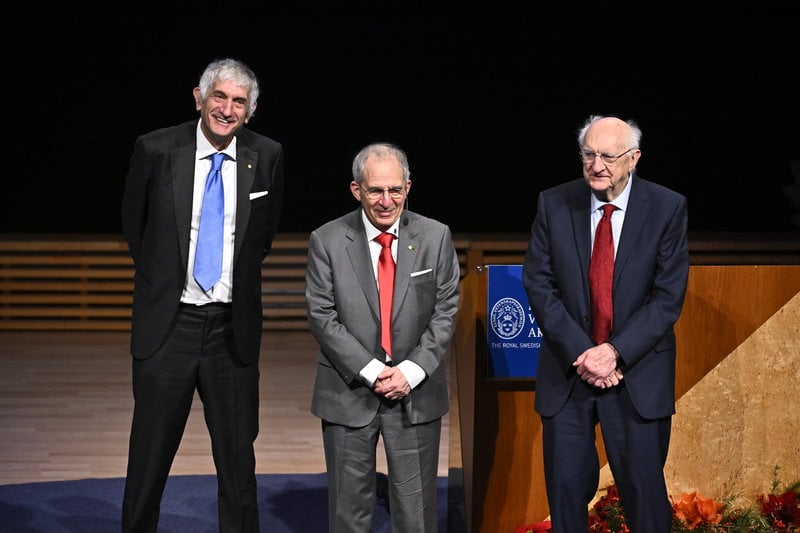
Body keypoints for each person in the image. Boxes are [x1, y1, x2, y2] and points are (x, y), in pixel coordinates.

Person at [120, 57, 284, 532]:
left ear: (250, 111)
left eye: (239, 102)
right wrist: (165, 282)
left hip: (232, 331)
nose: (227, 110)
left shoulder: (267, 155)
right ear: (199, 98)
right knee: (149, 457)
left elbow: (263, 237)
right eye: (220, 96)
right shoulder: (155, 149)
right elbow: (135, 225)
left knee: (237, 464)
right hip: (169, 327)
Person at [521, 115, 689, 531]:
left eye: (608, 157)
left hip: (636, 376)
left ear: (634, 158)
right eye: (588, 155)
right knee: (565, 499)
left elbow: (667, 297)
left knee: (645, 503)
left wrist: (614, 353)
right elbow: (539, 283)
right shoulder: (554, 202)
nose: (597, 165)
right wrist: (585, 353)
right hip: (569, 374)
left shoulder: (667, 207)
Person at [305, 142, 460, 532]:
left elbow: (445, 311)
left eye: (395, 189)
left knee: (416, 515)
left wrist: (410, 371)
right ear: (356, 189)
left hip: (415, 393)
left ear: (408, 187)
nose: (386, 201)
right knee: (348, 514)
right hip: (348, 392)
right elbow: (322, 315)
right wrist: (373, 371)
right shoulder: (326, 240)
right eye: (375, 190)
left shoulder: (436, 236)